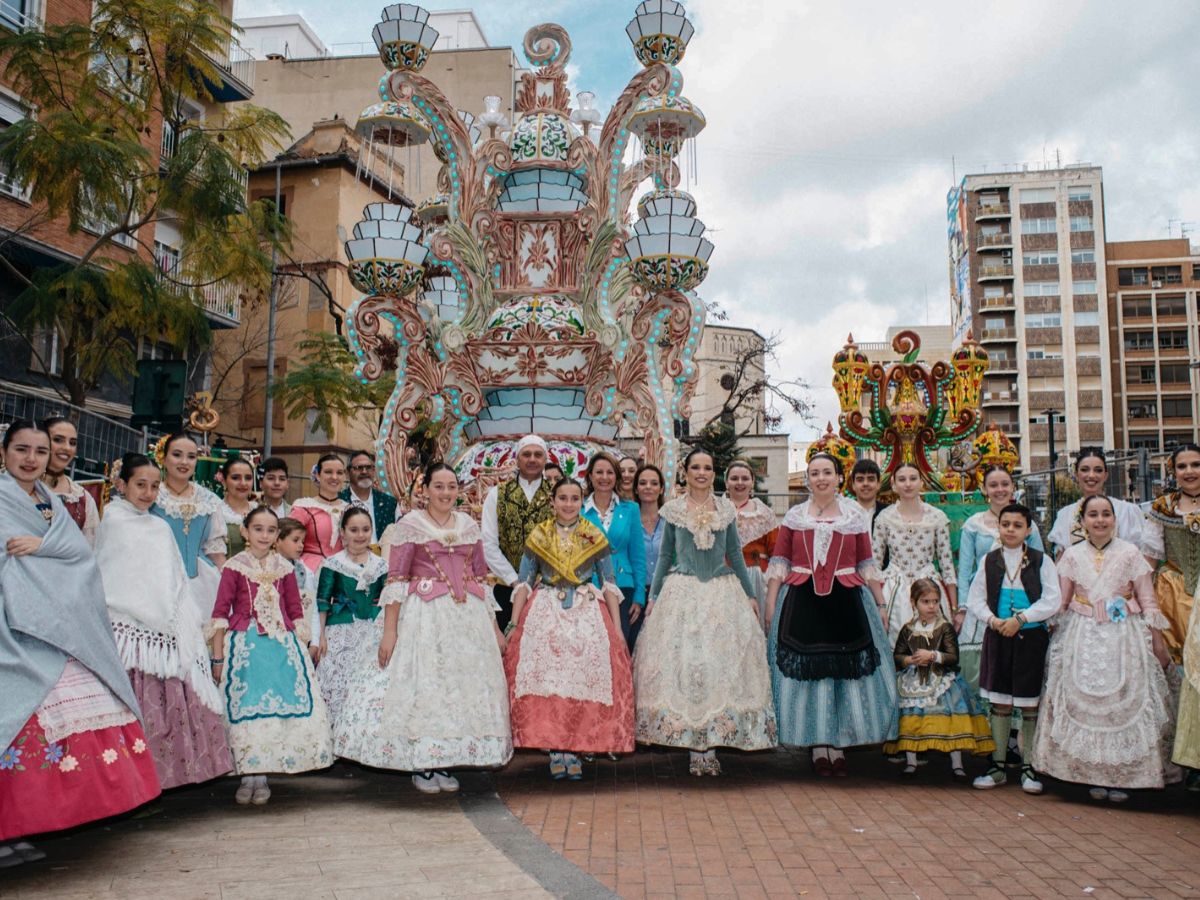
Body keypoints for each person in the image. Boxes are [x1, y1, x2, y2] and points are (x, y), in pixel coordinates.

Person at [0, 422, 160, 865]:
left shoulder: (50, 502)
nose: (30, 459)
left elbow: (80, 558)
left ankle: (22, 826)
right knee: (19, 715)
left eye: (38, 450)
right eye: (21, 450)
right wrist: (45, 553)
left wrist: (44, 547)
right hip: (13, 625)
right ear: (4, 452)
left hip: (58, 625)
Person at [336, 464, 512, 792]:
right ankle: (423, 763)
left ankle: (443, 759)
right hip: (423, 615)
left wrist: (494, 628)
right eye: (439, 486)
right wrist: (390, 631)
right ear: (425, 489)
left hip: (466, 618)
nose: (446, 493)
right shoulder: (410, 525)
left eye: (451, 487)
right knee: (425, 683)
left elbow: (479, 578)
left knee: (456, 689)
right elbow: (397, 579)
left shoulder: (469, 526)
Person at [96, 452, 233, 789]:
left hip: (165, 626)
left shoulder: (158, 526)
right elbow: (110, 573)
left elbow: (171, 575)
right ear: (121, 485)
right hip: (128, 631)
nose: (147, 493)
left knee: (169, 704)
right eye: (140, 485)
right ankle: (131, 785)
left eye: (154, 487)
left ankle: (169, 777)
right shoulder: (113, 520)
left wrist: (177, 614)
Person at [636, 449, 777, 776]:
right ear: (685, 472)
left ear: (714, 473)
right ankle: (692, 746)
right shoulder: (671, 511)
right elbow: (666, 555)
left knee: (718, 667)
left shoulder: (726, 510)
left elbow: (735, 555)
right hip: (681, 592)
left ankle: (710, 745)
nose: (701, 473)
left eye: (707, 468)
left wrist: (748, 594)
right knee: (686, 667)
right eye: (696, 467)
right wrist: (654, 597)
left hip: (720, 593)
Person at [1032, 495, 1177, 802]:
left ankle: (1125, 777)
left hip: (1124, 636)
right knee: (1080, 700)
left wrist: (1157, 639)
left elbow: (1147, 599)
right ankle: (1089, 776)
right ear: (1082, 521)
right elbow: (1063, 600)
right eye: (1093, 515)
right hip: (1081, 634)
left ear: (1115, 519)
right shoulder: (1071, 555)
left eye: (1106, 514)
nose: (1100, 520)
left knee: (1124, 701)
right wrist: (1052, 630)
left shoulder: (1131, 553)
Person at [764, 453, 895, 777]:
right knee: (810, 677)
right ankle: (818, 746)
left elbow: (866, 563)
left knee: (842, 676)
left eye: (827, 472)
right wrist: (770, 607)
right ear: (807, 479)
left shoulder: (853, 517)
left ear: (839, 477)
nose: (820, 478)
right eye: (814, 473)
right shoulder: (794, 517)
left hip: (847, 600)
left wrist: (880, 605)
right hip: (801, 601)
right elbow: (779, 564)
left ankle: (837, 744)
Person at [504, 478, 634, 780]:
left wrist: (617, 628)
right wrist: (513, 622)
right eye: (562, 498)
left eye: (574, 498)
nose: (568, 504)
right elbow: (524, 581)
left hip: (586, 610)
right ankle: (555, 749)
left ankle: (574, 748)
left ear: (581, 500)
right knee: (550, 680)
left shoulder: (593, 534)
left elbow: (609, 582)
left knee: (582, 679)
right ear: (553, 502)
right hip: (545, 610)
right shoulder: (540, 534)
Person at [210, 506, 333, 806]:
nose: (264, 536)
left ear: (277, 535)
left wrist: (302, 650)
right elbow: (220, 611)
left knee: (278, 709)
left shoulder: (285, 568)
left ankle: (262, 775)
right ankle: (246, 774)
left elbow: (294, 609)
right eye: (258, 529)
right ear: (244, 532)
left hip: (281, 646)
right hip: (244, 646)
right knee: (246, 706)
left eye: (270, 530)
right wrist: (217, 656)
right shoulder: (234, 567)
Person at [965, 503, 1060, 794]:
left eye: (1017, 525)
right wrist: (993, 620)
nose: (1010, 530)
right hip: (998, 637)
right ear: (998, 527)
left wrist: (1021, 619)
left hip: (1030, 639)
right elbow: (975, 599)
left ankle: (1029, 767)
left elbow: (1052, 599)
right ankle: (997, 766)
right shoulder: (989, 560)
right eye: (1005, 524)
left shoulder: (1042, 561)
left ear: (1028, 530)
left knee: (1029, 703)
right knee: (1001, 701)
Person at [883, 579, 993, 779]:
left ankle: (957, 763)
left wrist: (933, 655)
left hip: (943, 680)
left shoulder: (945, 628)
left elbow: (953, 656)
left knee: (951, 719)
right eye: (926, 601)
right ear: (914, 602)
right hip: (913, 681)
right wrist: (909, 659)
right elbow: (897, 656)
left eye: (935, 601)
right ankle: (911, 761)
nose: (931, 606)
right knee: (911, 719)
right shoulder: (908, 629)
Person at [957, 466, 1045, 698]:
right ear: (984, 489)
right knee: (981, 663)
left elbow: (1038, 566)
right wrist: (963, 607)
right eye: (993, 485)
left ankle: (1017, 719)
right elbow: (965, 569)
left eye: (1004, 484)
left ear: (1013, 487)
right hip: (983, 604)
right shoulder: (974, 525)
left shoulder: (1029, 525)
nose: (999, 489)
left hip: (1020, 603)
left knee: (1018, 660)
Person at [872, 462, 959, 645]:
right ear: (894, 485)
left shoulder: (937, 517)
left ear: (921, 483)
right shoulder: (884, 517)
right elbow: (875, 563)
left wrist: (954, 607)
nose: (908, 484)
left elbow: (946, 564)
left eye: (913, 478)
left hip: (929, 587)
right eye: (902, 479)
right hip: (894, 588)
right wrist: (878, 603)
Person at [314, 507, 387, 726]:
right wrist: (321, 637)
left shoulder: (381, 565)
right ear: (343, 532)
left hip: (372, 631)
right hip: (340, 632)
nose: (360, 535)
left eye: (365, 529)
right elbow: (323, 602)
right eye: (354, 530)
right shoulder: (333, 564)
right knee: (337, 682)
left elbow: (386, 602)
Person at [481, 435, 553, 630]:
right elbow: (488, 544)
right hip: (506, 586)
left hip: (547, 591)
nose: (532, 459)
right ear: (517, 459)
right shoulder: (498, 494)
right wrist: (515, 581)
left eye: (538, 455)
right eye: (526, 454)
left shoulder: (558, 495)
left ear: (545, 460)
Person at [153, 433, 227, 621]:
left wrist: (229, 584)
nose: (184, 462)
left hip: (201, 582)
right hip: (158, 579)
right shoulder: (152, 495)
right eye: (177, 455)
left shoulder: (209, 500)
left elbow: (215, 549)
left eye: (191, 457)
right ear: (164, 458)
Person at [1162, 446, 1200, 786]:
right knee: (1185, 677)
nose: (1189, 471)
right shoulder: (1164, 508)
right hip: (1174, 596)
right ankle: (1190, 760)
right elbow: (1148, 559)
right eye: (1182, 466)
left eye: (1196, 464)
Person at [582, 452, 647, 649]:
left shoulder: (631, 509)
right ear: (590, 476)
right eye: (599, 472)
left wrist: (639, 596)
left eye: (610, 472)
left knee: (620, 646)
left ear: (617, 477)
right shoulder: (578, 509)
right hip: (588, 588)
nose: (604, 477)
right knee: (593, 648)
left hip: (623, 588)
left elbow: (638, 556)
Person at [1048, 448, 1146, 558]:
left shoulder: (1126, 511)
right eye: (1085, 470)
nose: (1091, 475)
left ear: (1105, 475)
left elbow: (1138, 560)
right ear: (1076, 474)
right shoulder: (1065, 515)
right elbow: (1061, 563)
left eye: (1098, 470)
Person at [725, 459, 778, 624]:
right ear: (726, 482)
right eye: (734, 478)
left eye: (745, 478)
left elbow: (777, 554)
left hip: (756, 579)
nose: (739, 483)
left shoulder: (764, 513)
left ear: (752, 482)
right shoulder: (716, 510)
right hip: (724, 579)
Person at [40, 416, 100, 547]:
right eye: (58, 440)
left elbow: (90, 550)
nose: (67, 448)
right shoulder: (22, 485)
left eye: (72, 443)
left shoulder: (83, 498)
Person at [291, 453, 347, 574]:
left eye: (339, 472)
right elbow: (289, 542)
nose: (334, 477)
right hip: (310, 571)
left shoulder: (349, 509)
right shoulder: (304, 507)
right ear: (317, 475)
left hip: (344, 573)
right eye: (328, 472)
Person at [339, 451, 398, 543]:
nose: (364, 471)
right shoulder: (339, 500)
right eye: (359, 468)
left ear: (374, 470)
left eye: (368, 467)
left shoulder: (389, 503)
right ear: (347, 473)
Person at [218, 456, 256, 558]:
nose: (243, 483)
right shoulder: (215, 513)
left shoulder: (261, 511)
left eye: (248, 478)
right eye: (235, 478)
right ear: (224, 481)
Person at [636, 463, 666, 585]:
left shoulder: (671, 522)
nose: (648, 487)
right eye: (642, 483)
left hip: (666, 592)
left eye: (654, 483)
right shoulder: (628, 522)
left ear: (661, 489)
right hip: (636, 594)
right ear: (636, 489)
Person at [850, 458, 889, 529]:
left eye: (871, 479)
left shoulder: (889, 513)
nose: (865, 483)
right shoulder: (845, 513)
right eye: (860, 480)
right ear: (853, 485)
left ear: (878, 484)